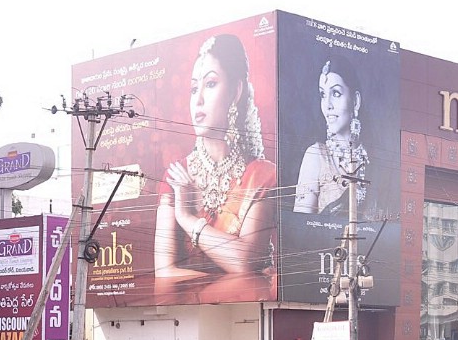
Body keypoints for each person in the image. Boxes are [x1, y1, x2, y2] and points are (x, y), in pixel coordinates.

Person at [153, 33, 276, 299]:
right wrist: (224, 281)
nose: (197, 100)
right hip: (188, 318)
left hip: (253, 315)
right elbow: (163, 273)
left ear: (236, 91)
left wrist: (187, 219)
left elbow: (244, 261)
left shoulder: (261, 175)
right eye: (193, 88)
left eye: (210, 84)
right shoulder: (176, 176)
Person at [294, 56, 372, 217]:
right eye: (323, 95)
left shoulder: (375, 160)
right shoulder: (316, 155)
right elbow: (300, 227)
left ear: (355, 101)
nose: (327, 105)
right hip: (326, 244)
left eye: (335, 93)